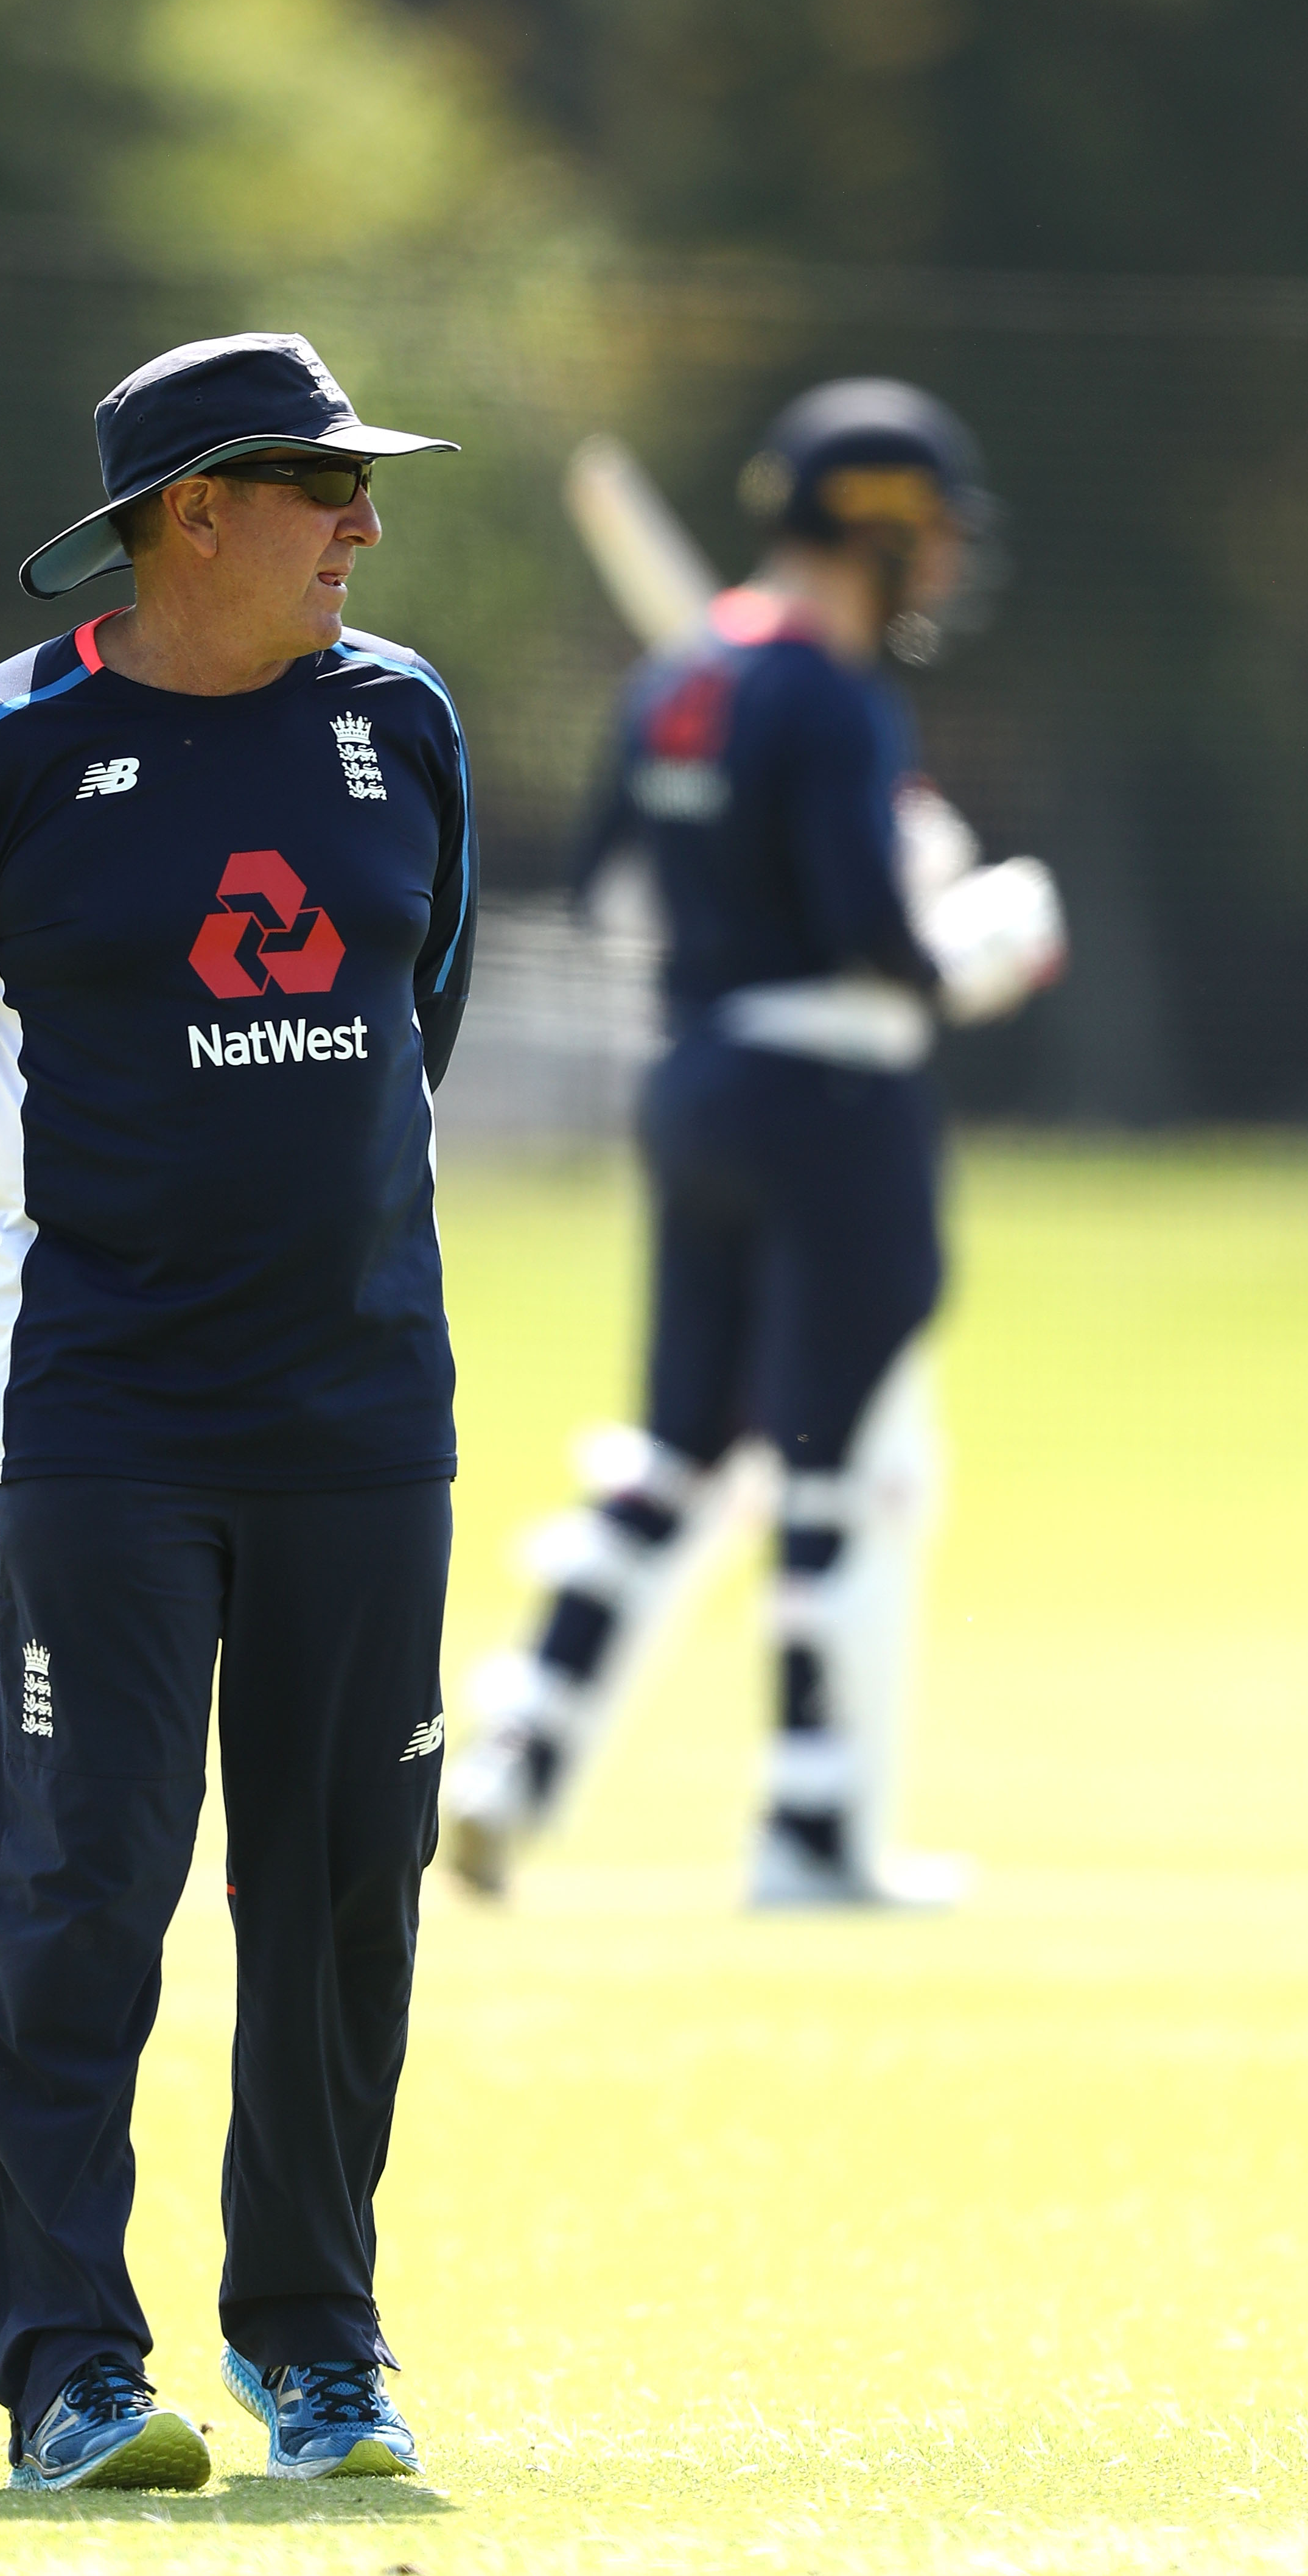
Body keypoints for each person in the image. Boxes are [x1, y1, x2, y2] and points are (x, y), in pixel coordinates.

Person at [0, 332, 474, 2490]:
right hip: (103, 1410)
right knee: (73, 1888)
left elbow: (419, 1008)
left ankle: (317, 2347)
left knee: (344, 1893)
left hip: (364, 1402)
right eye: (324, 486)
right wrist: (42, 1245)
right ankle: (68, 2370)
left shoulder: (404, 723)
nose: (363, 524)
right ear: (194, 512)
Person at [442, 379, 1061, 1909]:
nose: (946, 563)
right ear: (879, 530)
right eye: (933, 533)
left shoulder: (685, 682)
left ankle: (517, 1752)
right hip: (834, 1103)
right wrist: (969, 945)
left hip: (697, 1082)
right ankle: (816, 1828)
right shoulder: (834, 696)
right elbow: (870, 939)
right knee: (841, 1471)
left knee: (681, 1449)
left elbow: (614, 891)